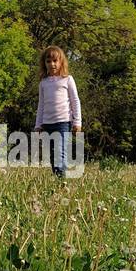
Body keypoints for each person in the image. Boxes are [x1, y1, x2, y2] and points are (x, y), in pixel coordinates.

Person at [33, 46, 82, 178]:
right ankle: (57, 179)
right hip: (47, 123)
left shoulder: (67, 79)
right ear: (44, 63)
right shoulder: (43, 83)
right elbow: (41, 105)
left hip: (63, 122)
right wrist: (38, 125)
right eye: (48, 61)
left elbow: (75, 101)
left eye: (55, 61)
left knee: (60, 153)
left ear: (61, 62)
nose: (52, 64)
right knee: (53, 154)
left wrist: (77, 122)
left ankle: (62, 181)